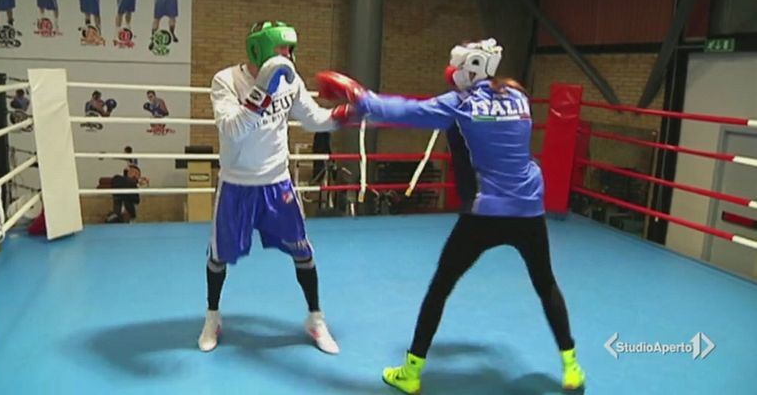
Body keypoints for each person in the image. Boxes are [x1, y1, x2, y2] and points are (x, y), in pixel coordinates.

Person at [316, 38, 587, 393]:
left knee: (440, 287)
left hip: (486, 212)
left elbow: (407, 112)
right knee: (545, 283)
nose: (452, 73)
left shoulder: (460, 103)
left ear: (469, 69)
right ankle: (571, 366)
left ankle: (411, 372)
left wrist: (360, 99)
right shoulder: (518, 97)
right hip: (528, 208)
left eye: (457, 67)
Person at [198, 20, 353, 356]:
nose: (288, 55)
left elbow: (313, 118)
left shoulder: (290, 81)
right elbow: (232, 129)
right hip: (237, 185)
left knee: (302, 251)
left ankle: (315, 318)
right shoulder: (226, 81)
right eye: (282, 48)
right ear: (260, 48)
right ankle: (212, 317)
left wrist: (345, 114)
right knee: (219, 255)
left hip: (277, 183)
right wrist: (262, 90)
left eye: (290, 49)